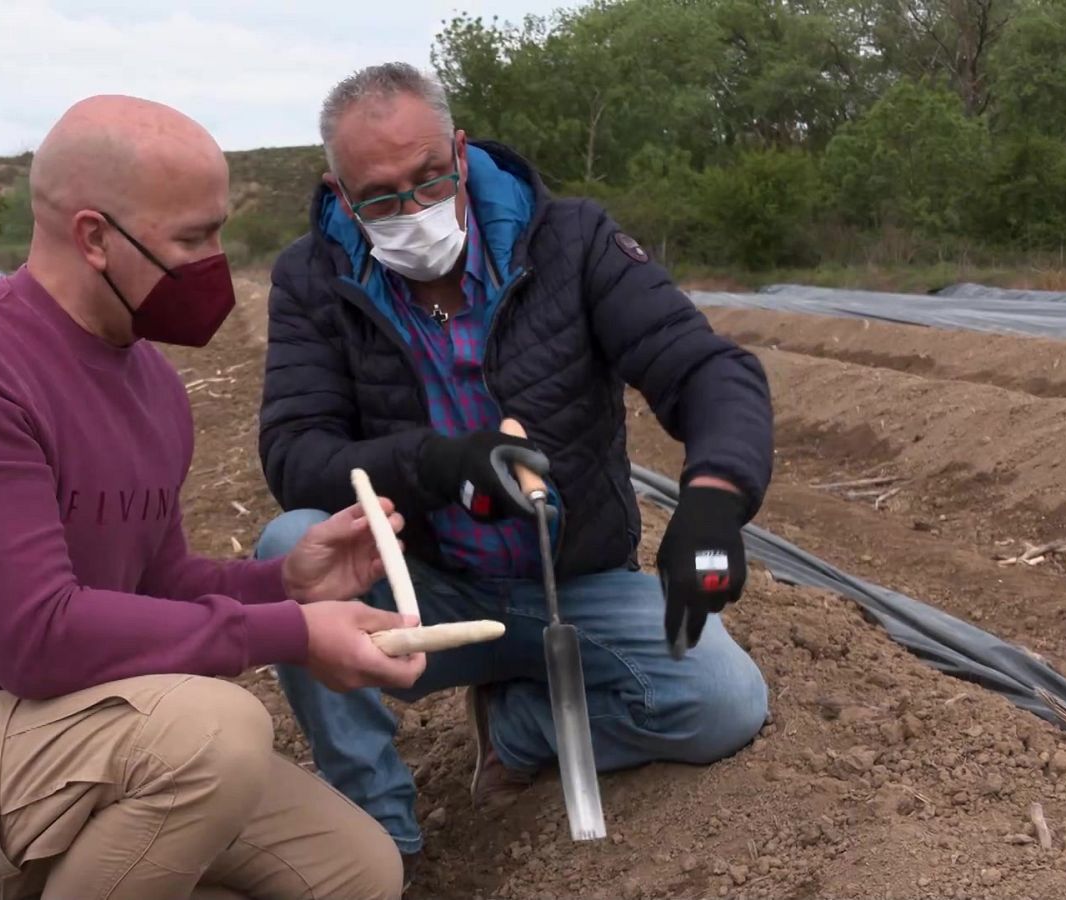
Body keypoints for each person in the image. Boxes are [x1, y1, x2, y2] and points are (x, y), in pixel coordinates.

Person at [0, 94, 429, 900]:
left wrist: (287, 583)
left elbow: (155, 583)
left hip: (68, 736)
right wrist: (293, 633)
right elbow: (37, 639)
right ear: (94, 238)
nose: (215, 262)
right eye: (192, 239)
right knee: (216, 733)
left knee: (357, 871)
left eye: (218, 232)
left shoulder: (154, 385)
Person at [253, 62, 775, 869]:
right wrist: (441, 465)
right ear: (340, 194)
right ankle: (380, 836)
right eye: (380, 199)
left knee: (723, 702)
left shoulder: (570, 242)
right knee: (291, 546)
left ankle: (517, 729)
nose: (413, 211)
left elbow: (703, 366)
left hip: (575, 586)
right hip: (424, 592)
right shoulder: (314, 278)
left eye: (430, 179)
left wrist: (715, 497)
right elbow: (296, 451)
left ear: (461, 154)